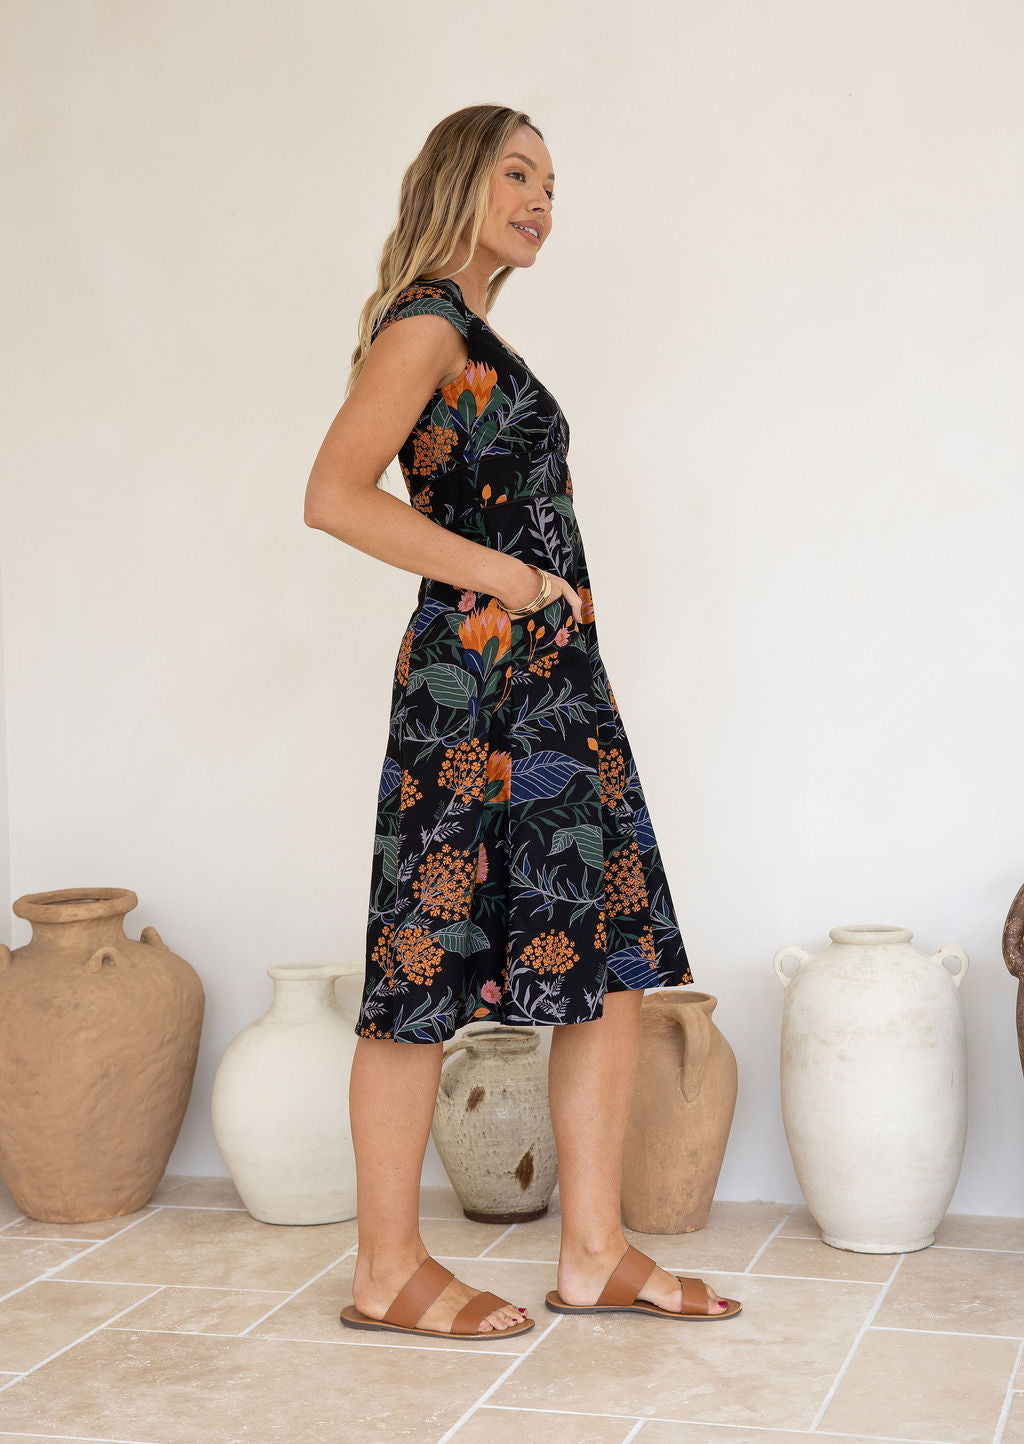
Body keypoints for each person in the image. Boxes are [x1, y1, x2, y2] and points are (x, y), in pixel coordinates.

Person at [304, 104, 742, 1340]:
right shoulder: (431, 318)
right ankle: (385, 1269)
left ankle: (594, 1249)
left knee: (604, 958)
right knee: (419, 966)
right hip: (476, 686)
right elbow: (333, 495)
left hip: (552, 686)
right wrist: (507, 579)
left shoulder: (477, 327)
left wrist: (551, 608)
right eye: (516, 171)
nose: (542, 196)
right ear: (458, 179)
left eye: (553, 180)